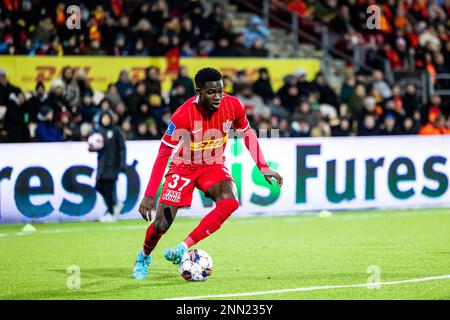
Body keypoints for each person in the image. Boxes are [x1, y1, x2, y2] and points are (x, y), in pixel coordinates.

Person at [132, 67, 283, 280]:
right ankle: (143, 256)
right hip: (183, 167)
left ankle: (183, 246)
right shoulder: (183, 115)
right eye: (211, 92)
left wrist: (263, 166)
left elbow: (247, 133)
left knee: (230, 202)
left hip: (212, 166)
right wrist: (149, 195)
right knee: (160, 225)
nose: (218, 96)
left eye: (221, 90)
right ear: (198, 92)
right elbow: (164, 152)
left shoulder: (233, 105)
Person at [91, 111, 127, 223]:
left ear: (111, 119)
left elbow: (122, 148)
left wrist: (122, 163)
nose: (105, 120)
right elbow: (94, 147)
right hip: (102, 165)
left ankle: (111, 213)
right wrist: (91, 147)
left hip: (113, 165)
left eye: (107, 118)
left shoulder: (116, 131)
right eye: (103, 118)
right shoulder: (98, 131)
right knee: (98, 186)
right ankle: (115, 204)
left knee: (109, 189)